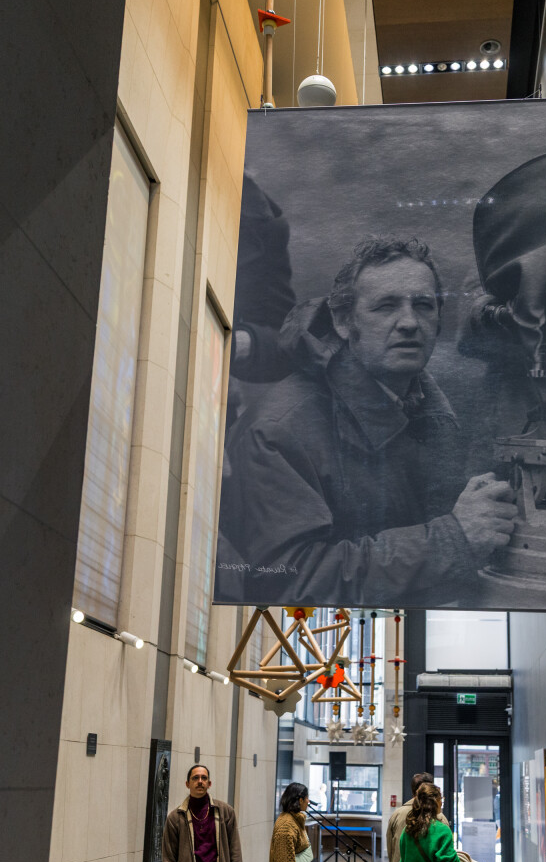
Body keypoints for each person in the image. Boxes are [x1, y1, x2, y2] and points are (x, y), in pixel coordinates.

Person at [219, 237, 517, 607]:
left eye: (424, 305)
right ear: (344, 322)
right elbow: (289, 583)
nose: (409, 322)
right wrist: (452, 538)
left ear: (439, 319)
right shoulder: (277, 432)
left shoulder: (428, 410)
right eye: (385, 306)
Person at [161, 764, 243, 862]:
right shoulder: (175, 818)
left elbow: (235, 852)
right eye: (195, 778)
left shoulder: (225, 812)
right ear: (187, 784)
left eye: (204, 778)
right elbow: (169, 860)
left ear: (209, 784)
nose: (200, 781)